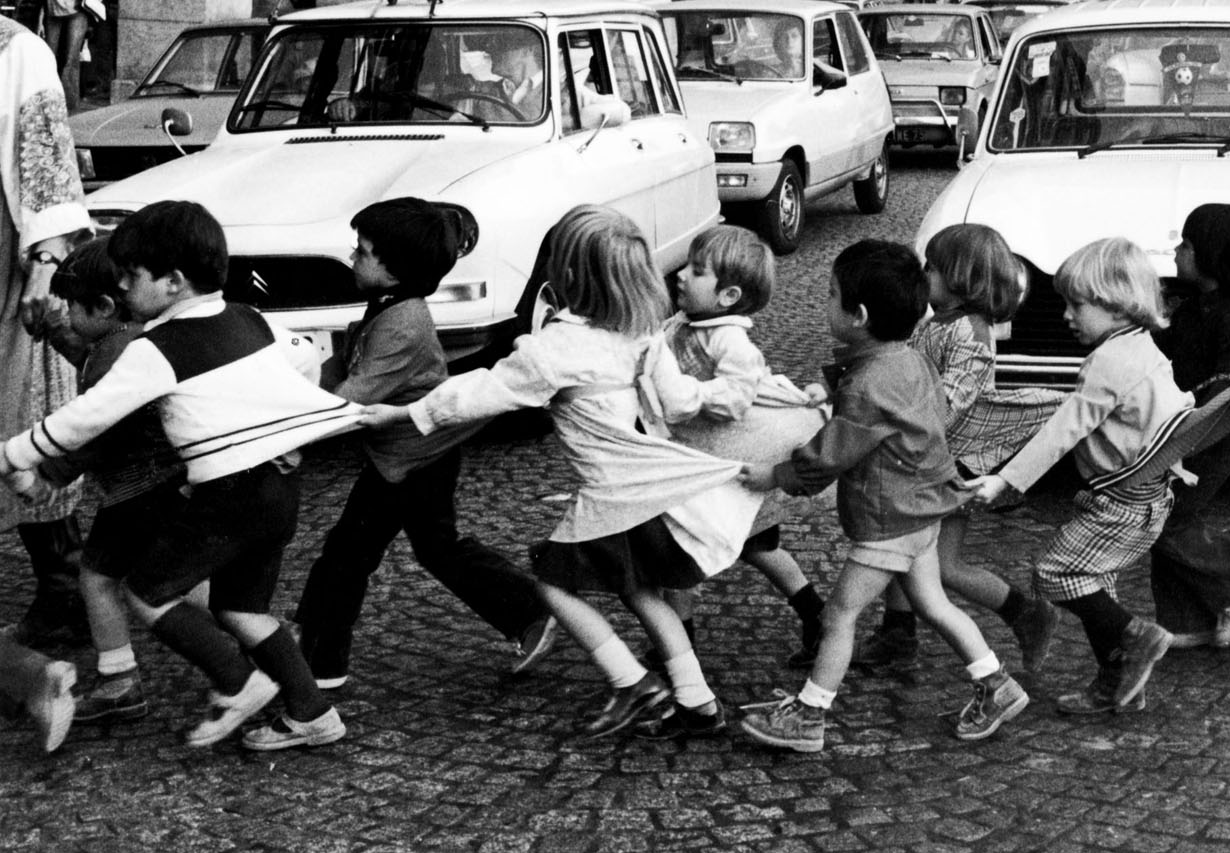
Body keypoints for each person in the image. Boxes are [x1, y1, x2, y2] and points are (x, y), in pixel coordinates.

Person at [360, 205, 753, 741]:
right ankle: (698, 701)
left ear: (565, 275)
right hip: (649, 486)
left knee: (552, 587)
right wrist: (729, 392)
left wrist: (406, 413)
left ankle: (631, 682)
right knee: (643, 594)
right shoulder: (644, 333)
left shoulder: (556, 350)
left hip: (610, 492)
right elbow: (681, 402)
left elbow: (480, 392)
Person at [0, 200, 362, 749]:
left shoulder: (155, 348)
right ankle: (313, 713)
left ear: (171, 282)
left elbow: (88, 418)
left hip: (230, 491)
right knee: (243, 609)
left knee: (148, 593)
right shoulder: (247, 317)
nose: (122, 287)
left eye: (130, 275)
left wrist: (13, 453)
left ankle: (238, 683)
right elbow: (302, 359)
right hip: (279, 485)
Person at [738, 241, 1026, 752]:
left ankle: (809, 714)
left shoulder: (868, 386)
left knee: (838, 615)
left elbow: (830, 454)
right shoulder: (910, 359)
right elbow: (874, 390)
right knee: (934, 606)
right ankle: (996, 685)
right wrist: (832, 388)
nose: (823, 302)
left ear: (859, 315)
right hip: (924, 512)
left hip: (890, 521)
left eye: (830, 295)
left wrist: (774, 475)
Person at [294, 200, 554, 693]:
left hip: (409, 460)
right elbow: (347, 367)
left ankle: (320, 663)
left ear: (395, 271)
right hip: (412, 455)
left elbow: (352, 399)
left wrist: (287, 428)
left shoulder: (402, 323)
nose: (353, 257)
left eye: (363, 252)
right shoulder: (391, 307)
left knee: (349, 555)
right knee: (434, 548)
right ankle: (533, 610)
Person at [966, 238, 1190, 715]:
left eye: (1077, 304)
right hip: (1145, 497)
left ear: (1116, 304)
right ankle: (1118, 684)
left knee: (1055, 573)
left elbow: (1063, 431)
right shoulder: (1144, 348)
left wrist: (1007, 480)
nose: (1067, 314)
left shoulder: (1108, 363)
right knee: (1094, 581)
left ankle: (1137, 637)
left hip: (1120, 502)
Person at [863, 223, 1060, 677]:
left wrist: (896, 419)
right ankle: (898, 633)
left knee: (944, 566)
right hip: (925, 456)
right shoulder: (940, 323)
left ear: (961, 277)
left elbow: (952, 402)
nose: (923, 274)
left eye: (931, 267)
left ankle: (1027, 613)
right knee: (904, 545)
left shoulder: (970, 333)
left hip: (947, 463)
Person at [658, 225, 830, 671]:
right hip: (700, 458)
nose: (681, 276)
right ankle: (817, 615)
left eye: (697, 272)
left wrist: (687, 395)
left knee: (685, 549)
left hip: (728, 460)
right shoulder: (683, 324)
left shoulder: (729, 340)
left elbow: (735, 399)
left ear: (729, 296)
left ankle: (679, 652)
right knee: (756, 548)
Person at [40, 238, 184, 729]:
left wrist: (49, 473)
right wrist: (60, 333)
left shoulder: (112, 354)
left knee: (98, 579)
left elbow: (94, 428)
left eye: (73, 310)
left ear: (102, 306)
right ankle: (264, 641)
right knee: (187, 577)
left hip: (135, 488)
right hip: (170, 481)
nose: (69, 318)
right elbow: (87, 351)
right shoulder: (134, 337)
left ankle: (120, 682)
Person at [0, 0, 92, 655]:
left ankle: (65, 591)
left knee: (26, 418)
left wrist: (46, 260)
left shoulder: (20, 52)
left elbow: (48, 161)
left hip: (6, 262)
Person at [1150, 205, 1230, 650]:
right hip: (1182, 433)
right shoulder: (1196, 308)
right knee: (1168, 516)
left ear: (1212, 257)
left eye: (1185, 245)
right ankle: (1189, 621)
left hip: (1210, 437)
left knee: (1163, 520)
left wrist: (1188, 437)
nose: (1176, 251)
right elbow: (1164, 345)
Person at [40, 0, 98, 114]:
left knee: (71, 59)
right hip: (53, 14)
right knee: (49, 57)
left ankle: (69, 105)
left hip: (77, 14)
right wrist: (40, 21)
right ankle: (48, 100)